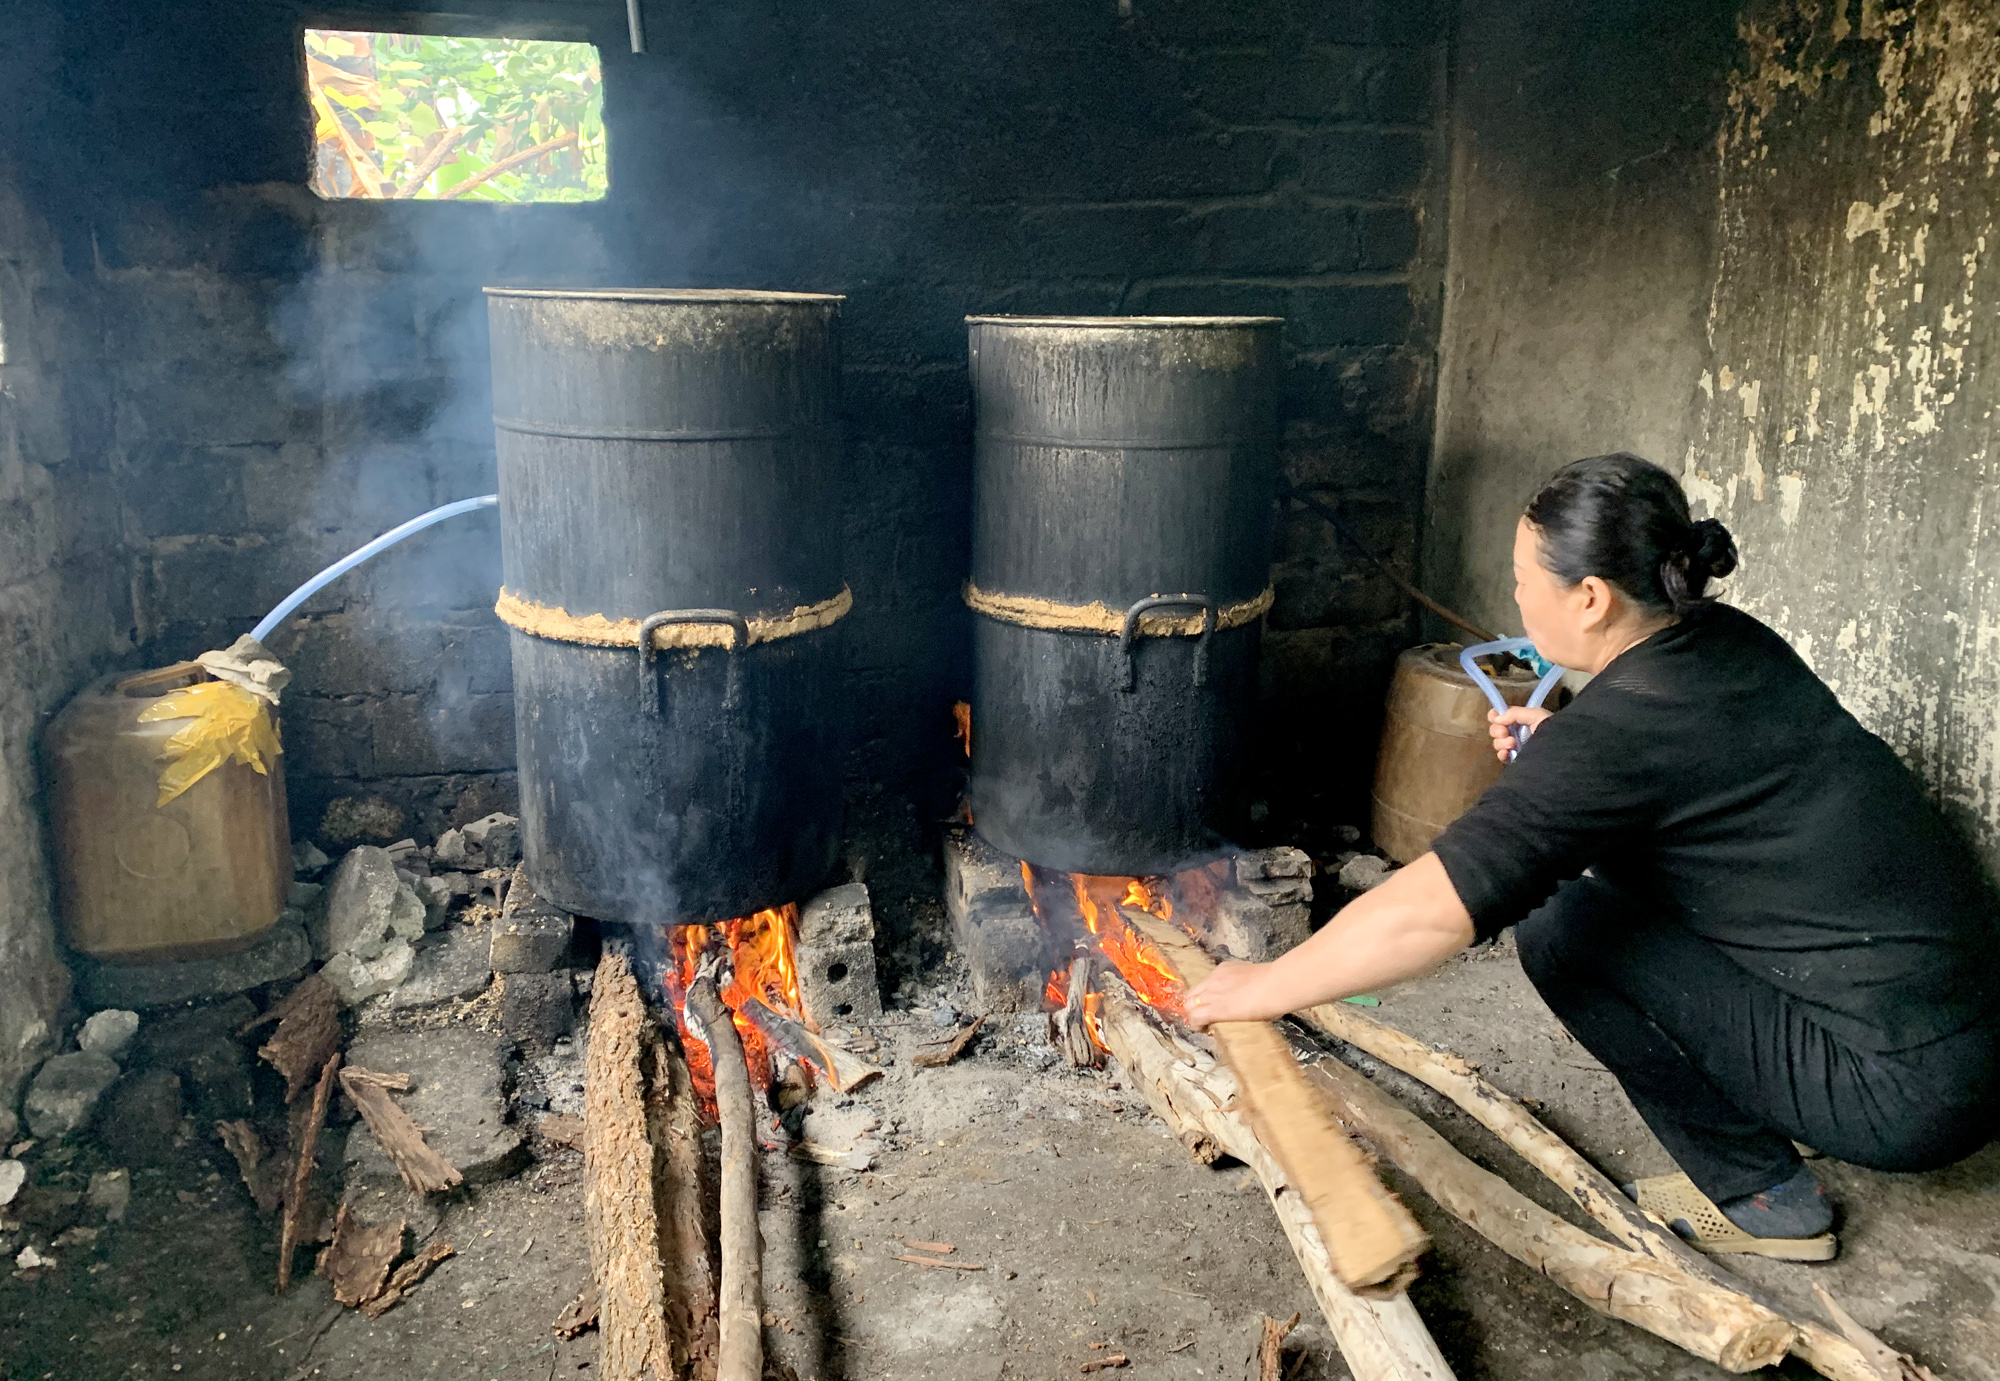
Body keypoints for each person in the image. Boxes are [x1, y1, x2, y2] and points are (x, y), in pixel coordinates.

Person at [1184, 453, 2000, 1260]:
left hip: (1902, 1090)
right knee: (1607, 875)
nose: (1513, 594)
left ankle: (1763, 1195)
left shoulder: (1617, 739)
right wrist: (1563, 745)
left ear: (1590, 597)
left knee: (1566, 930)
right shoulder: (1723, 640)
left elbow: (1433, 910)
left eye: (1521, 576)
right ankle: (1780, 1098)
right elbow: (1680, 785)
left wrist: (1264, 983)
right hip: (1956, 1021)